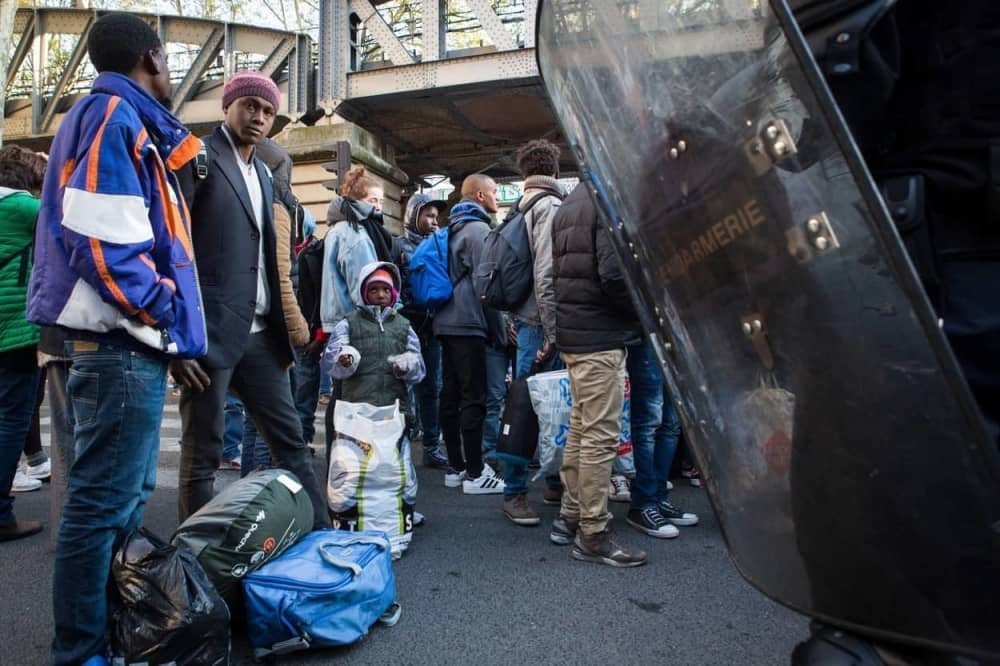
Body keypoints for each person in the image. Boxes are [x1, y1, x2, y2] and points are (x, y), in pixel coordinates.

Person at [26, 13, 206, 664]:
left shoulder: (107, 114)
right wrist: (164, 312)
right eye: (168, 57)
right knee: (101, 506)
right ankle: (81, 651)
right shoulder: (112, 116)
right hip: (119, 343)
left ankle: (103, 634)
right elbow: (106, 243)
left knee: (114, 501)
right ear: (153, 58)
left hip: (119, 343)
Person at [170, 70, 328, 528]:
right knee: (204, 455)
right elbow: (172, 247)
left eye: (267, 111)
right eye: (250, 106)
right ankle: (193, 564)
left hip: (261, 335)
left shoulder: (263, 170)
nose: (258, 117)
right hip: (208, 336)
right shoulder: (196, 156)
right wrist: (178, 339)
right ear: (228, 105)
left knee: (291, 443)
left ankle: (323, 537)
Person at [549, 183, 646, 567]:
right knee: (599, 437)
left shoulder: (569, 204)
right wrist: (642, 310)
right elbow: (613, 274)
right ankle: (593, 533)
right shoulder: (604, 199)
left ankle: (570, 516)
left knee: (581, 428)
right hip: (600, 335)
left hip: (576, 334)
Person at [500, 139, 567, 525]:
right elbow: (545, 274)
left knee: (532, 404)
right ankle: (515, 493)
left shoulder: (518, 207)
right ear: (554, 171)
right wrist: (553, 331)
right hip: (541, 324)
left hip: (524, 321)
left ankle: (553, 482)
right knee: (534, 408)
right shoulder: (550, 207)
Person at [434, 174, 506, 494]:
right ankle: (477, 473)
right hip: (468, 323)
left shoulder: (451, 227)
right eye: (493, 192)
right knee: (474, 396)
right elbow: (484, 287)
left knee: (449, 394)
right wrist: (499, 331)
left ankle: (456, 466)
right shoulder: (479, 230)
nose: (497, 198)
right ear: (479, 195)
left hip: (444, 321)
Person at [0, 145, 48, 541]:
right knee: (12, 420)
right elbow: (66, 222)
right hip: (16, 330)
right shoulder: (20, 206)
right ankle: (1, 515)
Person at [318, 165, 381, 455]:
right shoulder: (354, 235)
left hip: (336, 323)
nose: (378, 207)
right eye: (374, 201)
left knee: (341, 396)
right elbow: (365, 288)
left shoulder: (336, 231)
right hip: (354, 326)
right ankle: (349, 459)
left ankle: (340, 455)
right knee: (353, 398)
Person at [321, 261, 425, 420]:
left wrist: (408, 366)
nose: (381, 295)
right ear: (364, 293)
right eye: (373, 290)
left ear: (394, 293)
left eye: (386, 290)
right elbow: (332, 360)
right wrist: (345, 360)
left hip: (394, 413)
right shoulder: (349, 324)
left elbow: (417, 368)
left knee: (393, 446)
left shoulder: (404, 326)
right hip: (357, 411)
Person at [393, 193, 449, 468]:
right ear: (413, 215)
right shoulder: (398, 246)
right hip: (408, 325)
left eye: (436, 217)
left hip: (432, 327)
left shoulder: (439, 245)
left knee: (431, 388)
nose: (433, 221)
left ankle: (430, 445)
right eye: (428, 215)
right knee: (402, 385)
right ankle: (400, 441)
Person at [624, 339, 698, 538]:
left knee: (671, 425)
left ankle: (658, 499)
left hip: (672, 333)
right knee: (649, 423)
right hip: (647, 333)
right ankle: (643, 503)